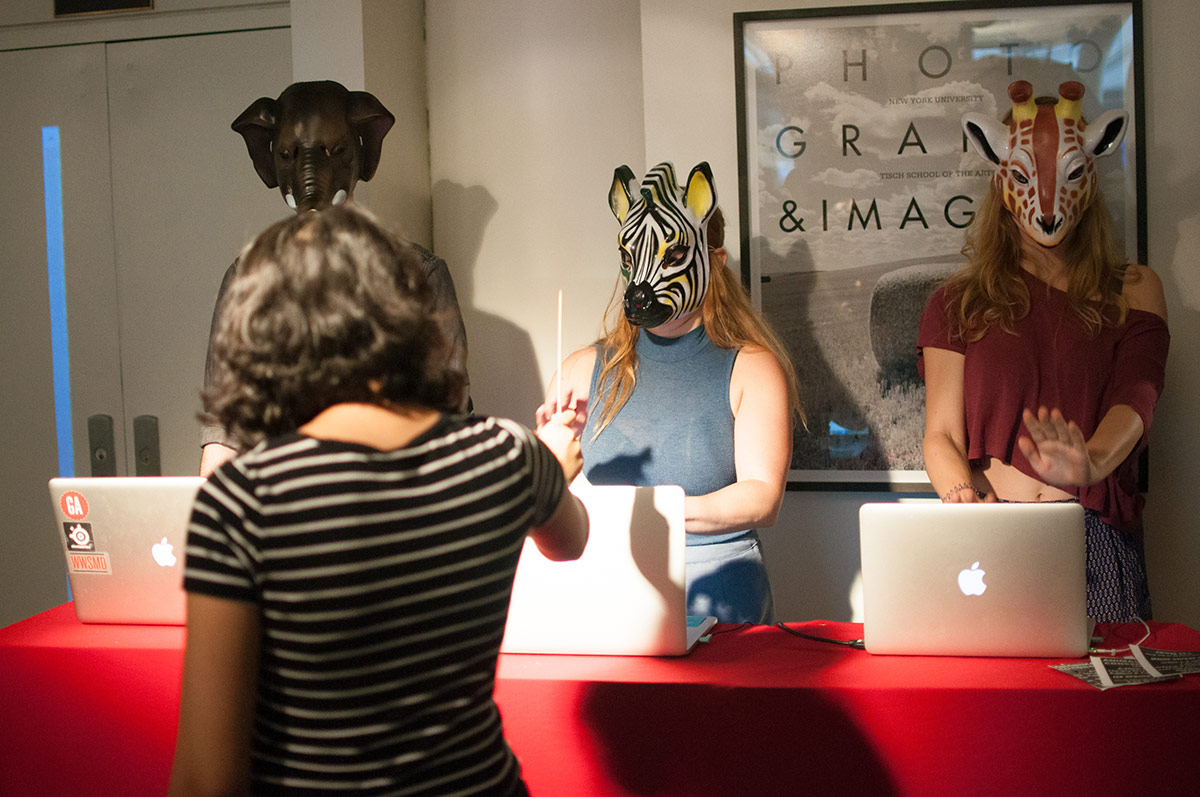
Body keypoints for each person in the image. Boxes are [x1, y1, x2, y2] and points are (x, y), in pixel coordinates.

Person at [169, 207, 588, 796]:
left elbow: (207, 781)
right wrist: (553, 464)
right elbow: (570, 542)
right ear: (412, 320)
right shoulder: (508, 454)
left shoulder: (243, 500)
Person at [919, 81, 1169, 622]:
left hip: (1093, 535)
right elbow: (940, 434)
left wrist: (1093, 460)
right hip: (988, 534)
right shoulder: (957, 302)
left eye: (1070, 174)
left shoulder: (1133, 288)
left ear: (1091, 178)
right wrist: (962, 499)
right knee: (994, 700)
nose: (1049, 205)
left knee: (1102, 699)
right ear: (1001, 177)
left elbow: (1139, 394)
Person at [539, 162, 802, 625]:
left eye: (674, 255)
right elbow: (549, 501)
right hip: (602, 583)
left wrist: (650, 512)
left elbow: (763, 497)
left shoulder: (751, 367)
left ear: (714, 262)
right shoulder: (581, 368)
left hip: (718, 588)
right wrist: (545, 466)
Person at [200, 80, 470, 476]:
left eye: (334, 151)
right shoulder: (248, 280)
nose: (313, 173)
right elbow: (223, 439)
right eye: (290, 154)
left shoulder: (419, 275)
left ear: (362, 150)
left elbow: (450, 424)